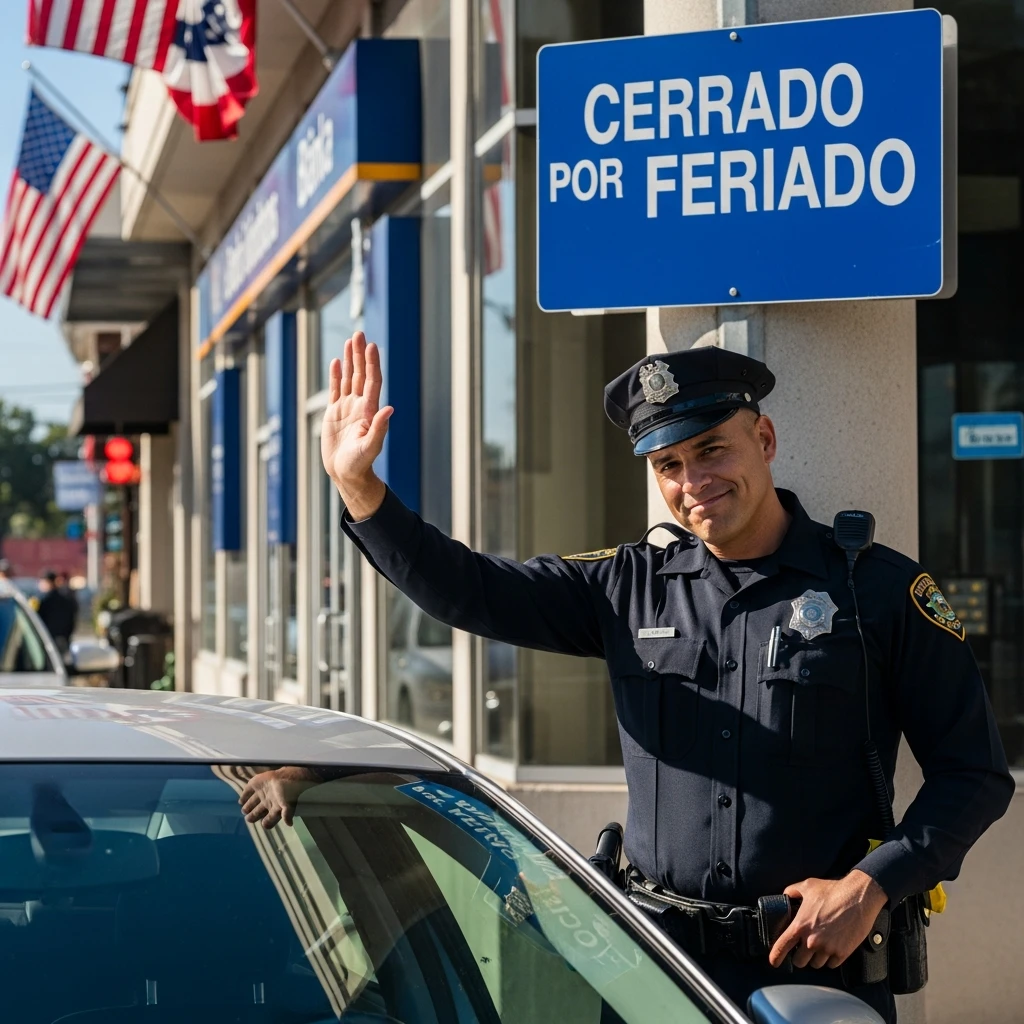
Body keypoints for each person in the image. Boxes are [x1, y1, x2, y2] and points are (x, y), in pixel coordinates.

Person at [313, 333, 1012, 1021]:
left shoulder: (879, 591)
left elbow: (973, 774)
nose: (693, 482)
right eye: (668, 464)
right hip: (655, 973)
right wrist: (361, 489)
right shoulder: (627, 588)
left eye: (712, 449)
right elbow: (470, 590)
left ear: (764, 439)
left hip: (817, 968)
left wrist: (870, 887)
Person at [36, 569, 77, 657]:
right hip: (63, 640)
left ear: (47, 582)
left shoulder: (43, 600)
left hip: (46, 640)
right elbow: (72, 620)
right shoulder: (66, 599)